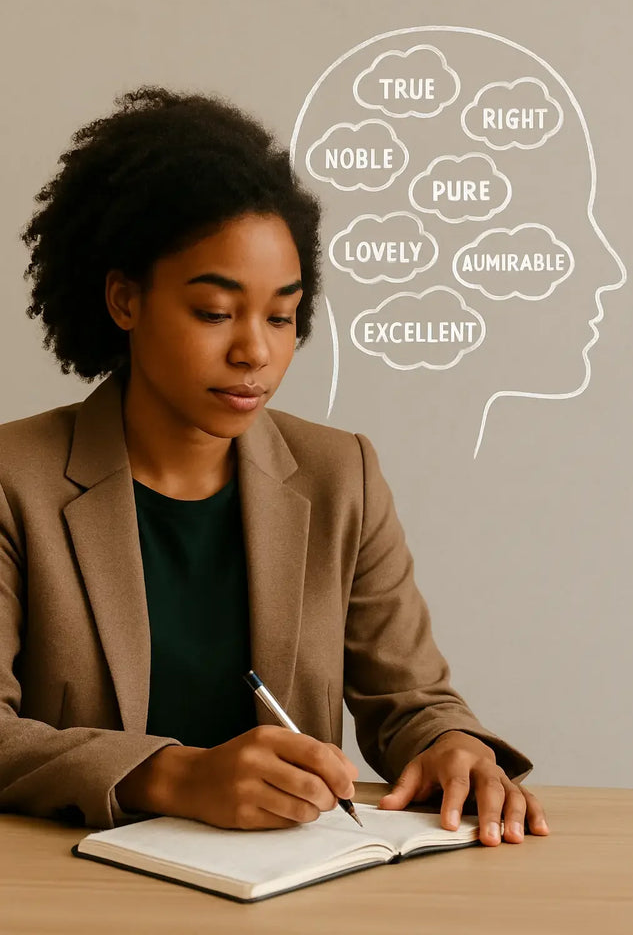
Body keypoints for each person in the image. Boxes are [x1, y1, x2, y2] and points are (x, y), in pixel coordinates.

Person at [0, 85, 549, 847]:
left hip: (289, 888)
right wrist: (176, 776)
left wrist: (450, 746)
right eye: (215, 312)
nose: (255, 350)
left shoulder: (339, 475)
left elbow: (412, 698)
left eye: (282, 316)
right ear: (125, 300)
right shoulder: (12, 479)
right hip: (74, 888)